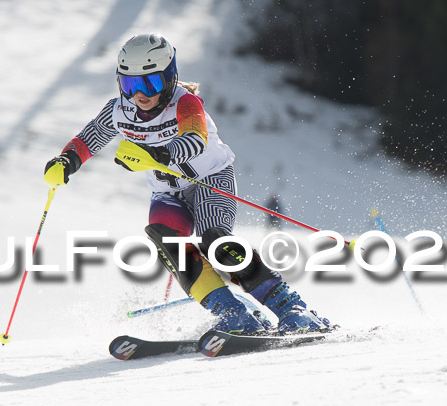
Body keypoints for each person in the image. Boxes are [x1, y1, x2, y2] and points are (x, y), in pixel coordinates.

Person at [44, 33, 329, 335]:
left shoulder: (186, 103)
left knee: (215, 240)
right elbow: (90, 138)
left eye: (149, 83)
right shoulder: (119, 111)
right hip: (168, 192)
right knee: (167, 240)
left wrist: (158, 154)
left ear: (168, 78)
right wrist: (66, 162)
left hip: (210, 178)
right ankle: (234, 314)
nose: (139, 94)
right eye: (129, 84)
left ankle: (291, 308)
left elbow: (195, 139)